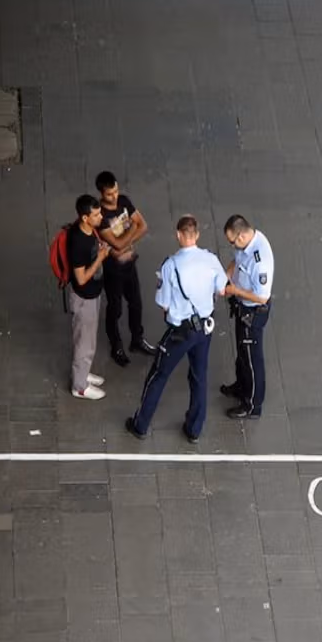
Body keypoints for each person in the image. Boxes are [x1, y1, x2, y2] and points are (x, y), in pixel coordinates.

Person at [125, 215, 228, 444]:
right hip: (205, 327)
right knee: (199, 376)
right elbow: (222, 289)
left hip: (180, 331)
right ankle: (194, 429)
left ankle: (140, 424)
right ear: (197, 234)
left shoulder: (171, 265)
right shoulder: (210, 259)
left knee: (158, 375)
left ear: (178, 235)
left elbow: (163, 303)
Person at [95, 170, 157, 366]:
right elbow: (118, 243)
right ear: (101, 194)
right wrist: (131, 229)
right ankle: (116, 345)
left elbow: (144, 226)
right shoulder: (100, 216)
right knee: (115, 309)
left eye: (115, 191)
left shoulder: (124, 201)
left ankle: (137, 339)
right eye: (109, 194)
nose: (114, 197)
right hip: (113, 270)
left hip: (129, 263)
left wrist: (125, 243)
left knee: (136, 303)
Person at [221, 214, 274, 420]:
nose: (233, 245)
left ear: (241, 236)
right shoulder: (247, 244)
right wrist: (226, 275)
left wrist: (234, 291)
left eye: (233, 242)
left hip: (253, 312)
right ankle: (241, 385)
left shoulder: (260, 262)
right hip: (242, 307)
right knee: (243, 351)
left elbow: (262, 297)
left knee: (253, 359)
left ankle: (252, 404)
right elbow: (237, 260)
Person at [68, 195, 110, 400]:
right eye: (96, 214)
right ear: (85, 218)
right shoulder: (78, 243)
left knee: (89, 339)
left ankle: (83, 374)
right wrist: (100, 258)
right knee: (84, 343)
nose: (100, 217)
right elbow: (81, 278)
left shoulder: (88, 231)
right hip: (84, 299)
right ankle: (80, 386)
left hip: (93, 295)